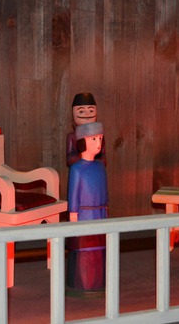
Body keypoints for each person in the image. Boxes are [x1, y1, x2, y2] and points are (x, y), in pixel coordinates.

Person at [66, 122, 108, 295]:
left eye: (100, 139)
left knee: (100, 249)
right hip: (84, 215)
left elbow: (104, 191)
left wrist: (106, 210)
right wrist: (73, 214)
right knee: (84, 250)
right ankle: (82, 284)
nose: (98, 143)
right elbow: (73, 193)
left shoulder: (100, 167)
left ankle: (99, 283)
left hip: (101, 213)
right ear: (82, 142)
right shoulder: (76, 169)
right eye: (93, 139)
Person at [66, 93, 106, 166]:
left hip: (96, 168)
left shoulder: (99, 136)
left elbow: (103, 159)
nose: (87, 115)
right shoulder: (72, 137)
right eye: (81, 111)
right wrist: (86, 157)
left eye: (91, 111)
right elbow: (69, 159)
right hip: (78, 169)